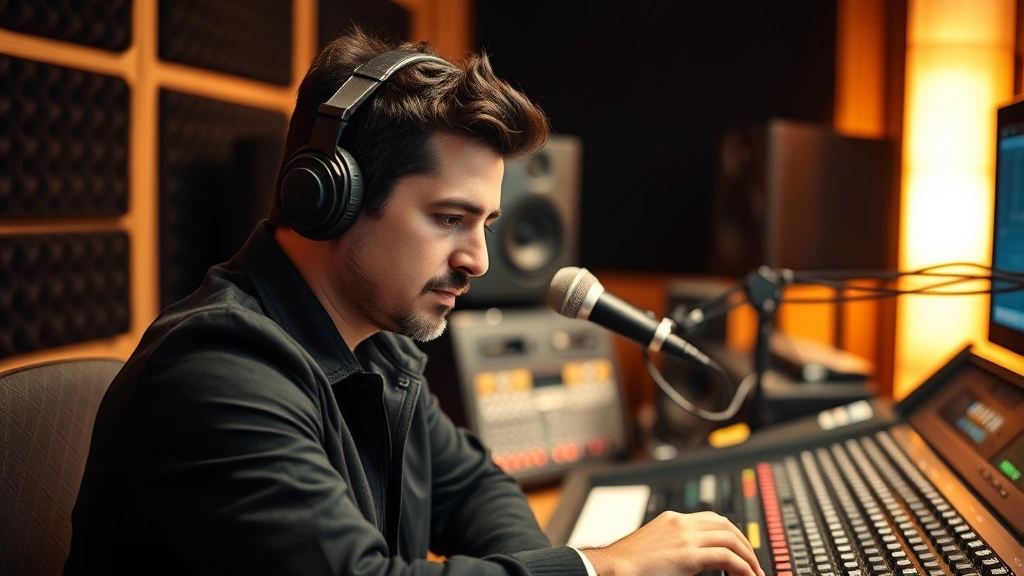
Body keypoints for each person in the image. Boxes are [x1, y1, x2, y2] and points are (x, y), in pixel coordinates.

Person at [65, 28, 765, 576]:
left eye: (486, 224)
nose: (478, 260)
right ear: (331, 197)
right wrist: (600, 567)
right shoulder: (216, 370)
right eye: (449, 218)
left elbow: (474, 488)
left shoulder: (376, 342)